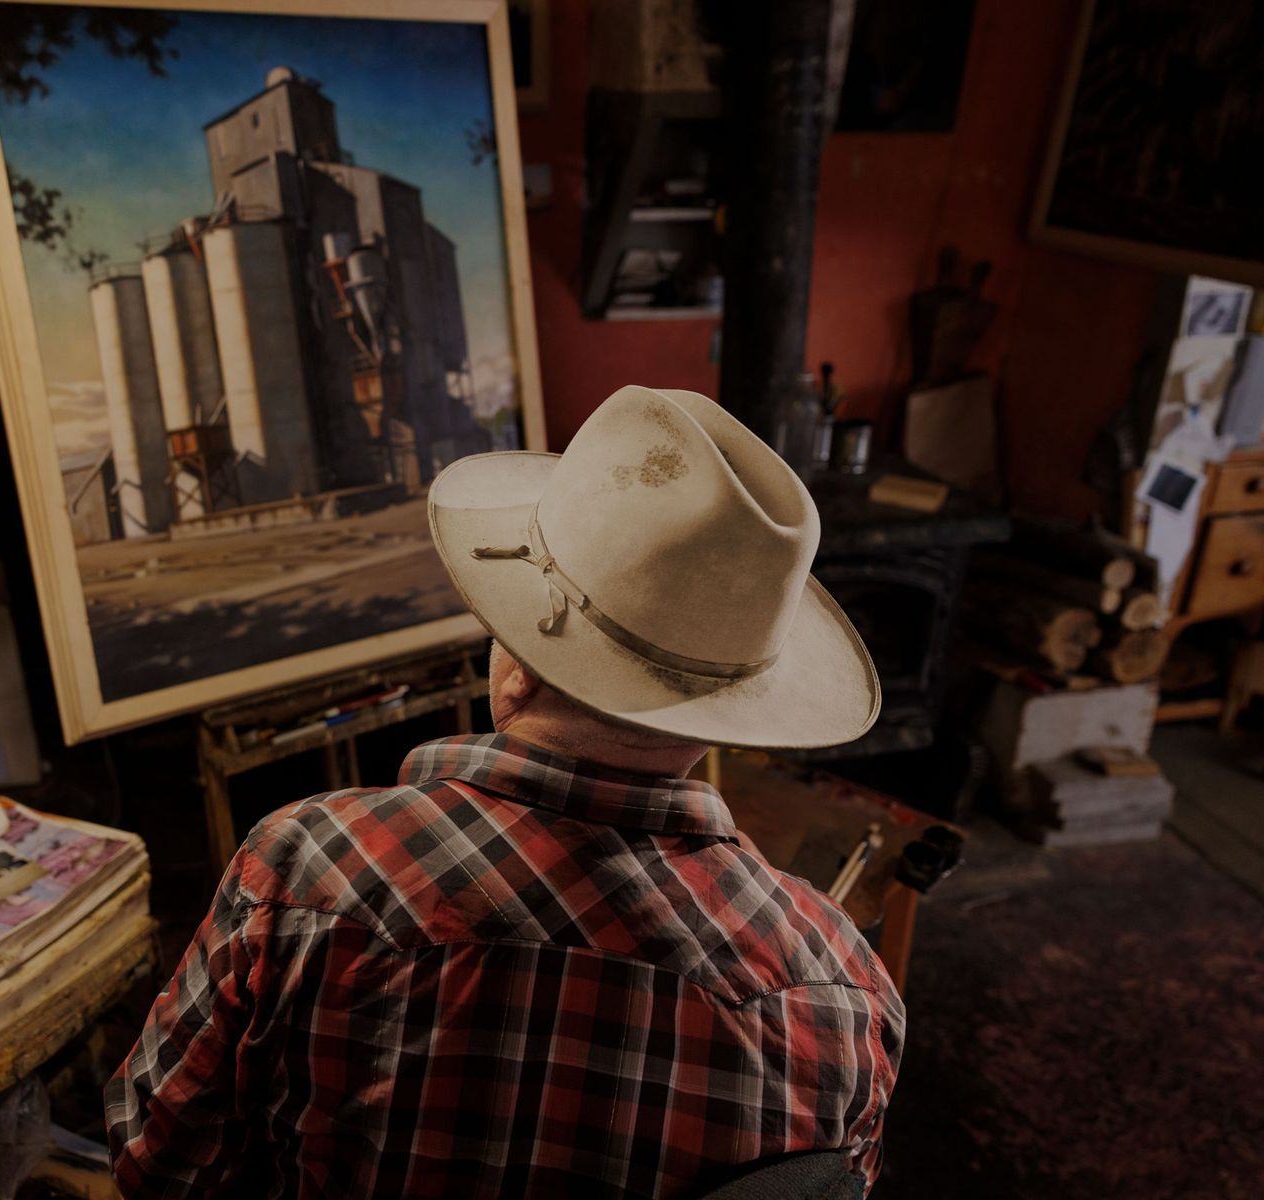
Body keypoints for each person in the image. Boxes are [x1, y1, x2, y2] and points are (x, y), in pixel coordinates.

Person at [107, 386, 904, 1198]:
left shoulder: (302, 873)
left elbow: (155, 1162)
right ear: (731, 710)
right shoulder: (842, 992)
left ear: (519, 661)